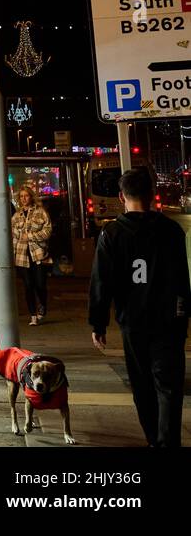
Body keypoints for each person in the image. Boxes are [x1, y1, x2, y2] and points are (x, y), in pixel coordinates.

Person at [89, 168, 190, 447]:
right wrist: (184, 316)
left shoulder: (112, 234)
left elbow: (101, 281)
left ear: (122, 197)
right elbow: (183, 279)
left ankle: (152, 439)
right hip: (168, 321)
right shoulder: (171, 231)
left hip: (133, 321)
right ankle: (168, 441)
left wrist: (97, 323)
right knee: (169, 386)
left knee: (142, 385)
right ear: (152, 194)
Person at [11, 186, 53, 325]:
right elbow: (13, 235)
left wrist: (30, 236)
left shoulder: (40, 212)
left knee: (40, 284)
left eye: (26, 196)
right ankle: (33, 315)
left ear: (31, 197)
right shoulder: (16, 216)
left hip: (38, 254)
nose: (24, 199)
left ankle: (42, 306)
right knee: (28, 285)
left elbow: (47, 231)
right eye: (21, 196)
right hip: (22, 256)